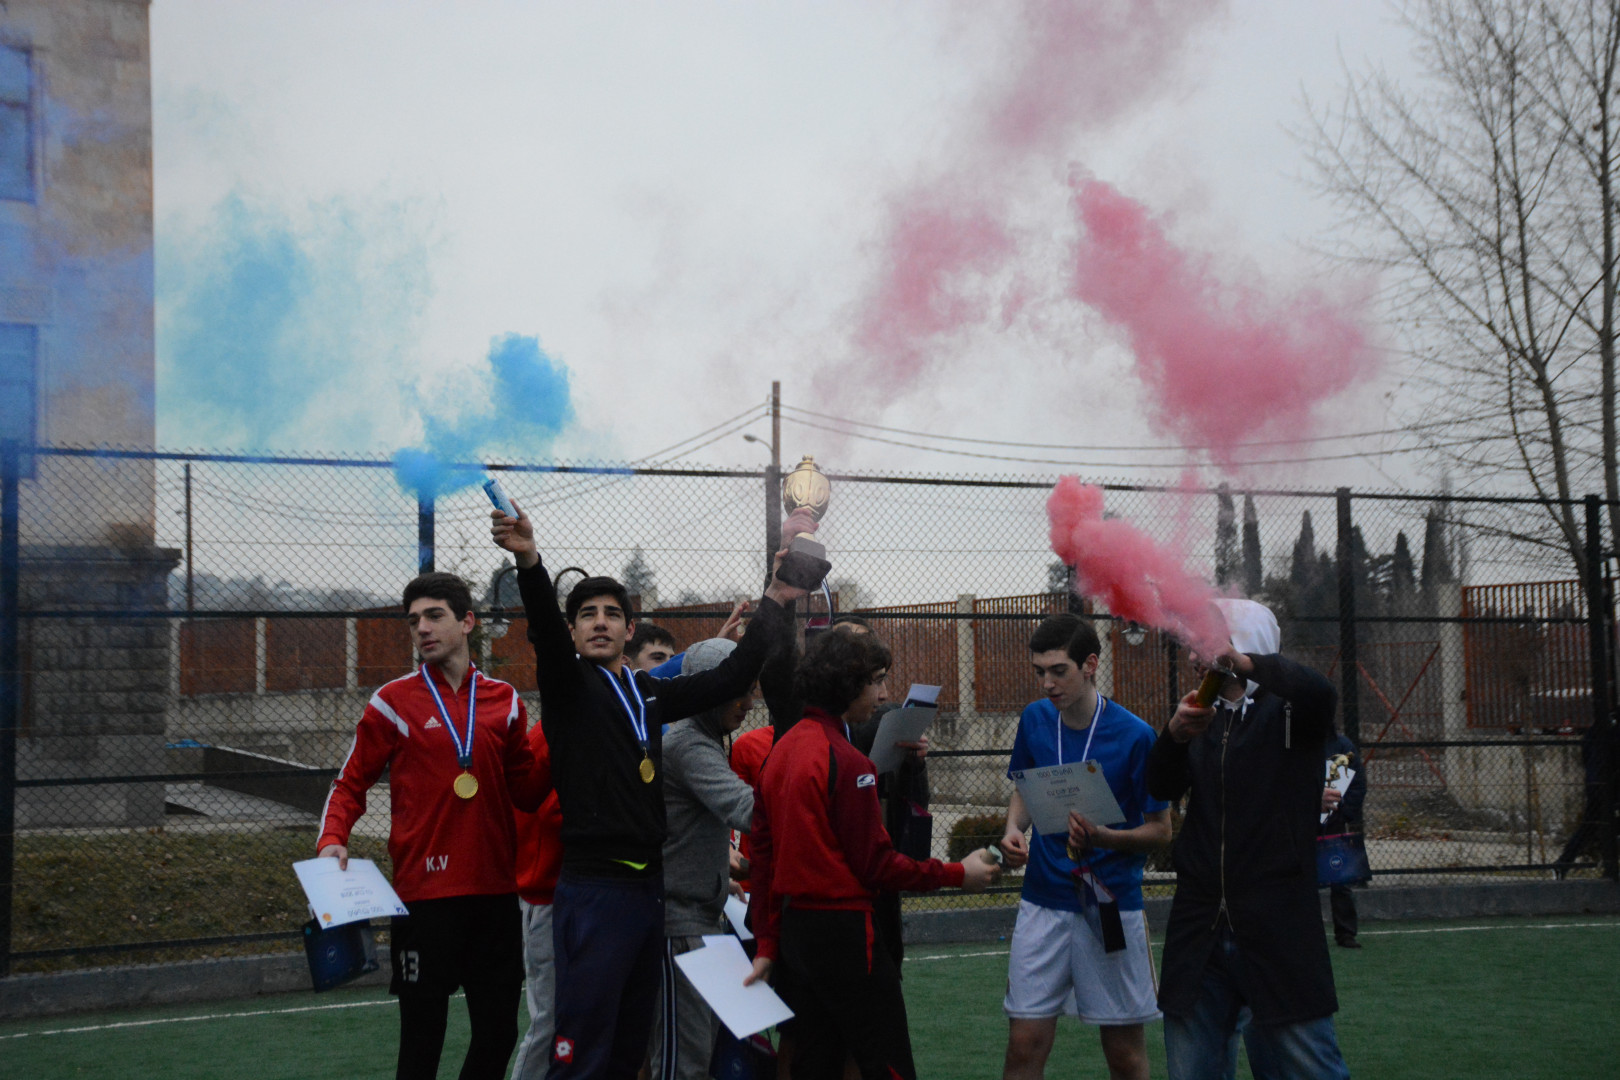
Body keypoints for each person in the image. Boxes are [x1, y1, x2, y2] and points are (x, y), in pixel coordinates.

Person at [491, 501, 805, 1080]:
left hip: (648, 892)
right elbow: (544, 633)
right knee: (582, 1044)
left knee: (629, 1043)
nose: (601, 621)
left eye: (613, 613)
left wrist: (775, 601)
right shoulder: (568, 688)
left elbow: (730, 678)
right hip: (593, 889)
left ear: (630, 629)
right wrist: (530, 560)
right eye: (587, 614)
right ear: (572, 631)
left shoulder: (647, 696)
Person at [316, 572, 548, 1080]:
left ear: (467, 622)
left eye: (434, 616)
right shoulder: (392, 701)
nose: (422, 628)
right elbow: (350, 782)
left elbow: (527, 792)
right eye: (414, 619)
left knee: (499, 1034)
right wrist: (333, 839)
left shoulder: (505, 701)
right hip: (425, 899)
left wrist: (559, 731)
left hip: (494, 895)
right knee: (422, 1043)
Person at [745, 629, 1000, 1080]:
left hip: (796, 937)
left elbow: (763, 859)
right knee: (886, 1063)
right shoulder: (847, 761)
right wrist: (960, 873)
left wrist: (768, 943)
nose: (884, 694)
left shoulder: (781, 751)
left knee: (813, 1060)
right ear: (849, 684)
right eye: (877, 680)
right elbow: (877, 865)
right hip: (846, 934)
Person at [1146, 599, 1352, 1080]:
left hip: (1276, 928)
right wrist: (1173, 735)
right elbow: (1159, 787)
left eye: (1206, 643)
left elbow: (1321, 693)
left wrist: (1240, 661)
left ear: (1245, 645)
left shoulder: (1292, 712)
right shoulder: (1200, 714)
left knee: (1305, 1066)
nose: (1196, 656)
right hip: (1200, 930)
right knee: (1192, 1069)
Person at [998, 614, 1171, 1080]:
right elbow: (1024, 788)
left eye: (1059, 671)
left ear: (1090, 664)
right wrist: (1014, 828)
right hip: (1043, 900)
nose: (1048, 684)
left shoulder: (1136, 736)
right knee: (1023, 1046)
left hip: (1110, 905)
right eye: (1040, 672)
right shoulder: (1035, 719)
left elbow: (1161, 831)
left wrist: (1105, 837)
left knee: (1124, 1053)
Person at [649, 638, 761, 1080]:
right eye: (737, 691)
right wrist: (814, 801)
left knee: (701, 1053)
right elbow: (746, 808)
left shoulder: (706, 738)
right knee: (681, 1062)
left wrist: (722, 864)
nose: (748, 703)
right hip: (681, 927)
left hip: (702, 918)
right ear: (705, 689)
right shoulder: (692, 746)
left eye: (751, 690)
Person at [511, 720, 565, 1080]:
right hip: (548, 897)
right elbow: (538, 809)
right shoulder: (554, 730)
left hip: (589, 897)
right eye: (654, 657)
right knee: (550, 1020)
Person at [1319, 731, 1366, 949]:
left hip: (1334, 823)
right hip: (1300, 823)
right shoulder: (1294, 740)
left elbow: (1358, 783)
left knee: (1341, 880)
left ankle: (1346, 933)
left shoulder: (1342, 745)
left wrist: (1343, 813)